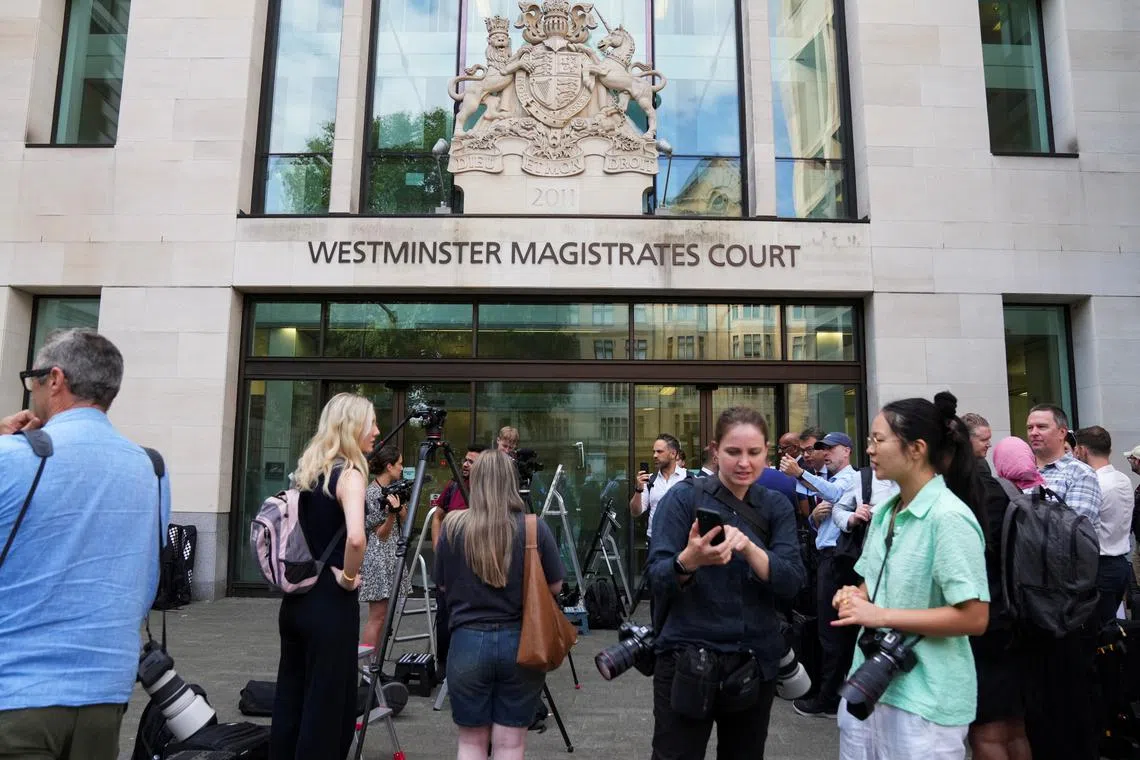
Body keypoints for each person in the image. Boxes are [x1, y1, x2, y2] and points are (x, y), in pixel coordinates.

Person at [0, 329, 172, 760]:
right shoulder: (151, 469)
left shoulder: (13, 457)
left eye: (33, 378)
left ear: (55, 379)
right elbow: (146, 580)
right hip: (105, 689)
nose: (32, 390)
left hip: (16, 690)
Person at [834, 391, 989, 759]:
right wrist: (854, 596)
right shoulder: (887, 510)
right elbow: (871, 583)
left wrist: (880, 616)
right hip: (870, 685)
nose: (869, 450)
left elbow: (975, 616)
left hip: (925, 699)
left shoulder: (948, 517)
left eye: (878, 439)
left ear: (916, 448)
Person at [647, 407, 806, 760]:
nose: (744, 463)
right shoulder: (683, 498)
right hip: (685, 657)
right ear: (715, 450)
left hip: (753, 660)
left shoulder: (776, 505)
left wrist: (750, 549)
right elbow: (656, 576)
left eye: (754, 452)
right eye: (733, 452)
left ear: (767, 451)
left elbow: (793, 581)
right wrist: (688, 561)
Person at [434, 450, 565, 760]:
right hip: (522, 642)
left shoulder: (452, 527)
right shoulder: (533, 527)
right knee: (510, 745)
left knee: (470, 744)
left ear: (474, 481)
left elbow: (441, 586)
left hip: (466, 643)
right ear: (512, 482)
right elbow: (556, 585)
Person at [271, 392, 374, 760]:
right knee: (329, 711)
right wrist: (348, 577)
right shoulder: (349, 474)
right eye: (370, 423)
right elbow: (358, 537)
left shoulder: (308, 472)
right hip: (330, 604)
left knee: (291, 702)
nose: (376, 431)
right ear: (352, 428)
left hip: (296, 602)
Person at [1020, 404, 1102, 760]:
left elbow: (1073, 536)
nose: (1034, 432)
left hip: (1062, 598)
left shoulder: (1079, 474)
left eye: (1041, 426)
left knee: (1067, 690)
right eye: (1029, 427)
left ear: (1062, 432)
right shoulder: (1021, 475)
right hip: (1026, 595)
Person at [782, 433, 862, 718]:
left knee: (832, 632)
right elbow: (826, 511)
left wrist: (800, 473)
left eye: (831, 449)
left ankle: (828, 699)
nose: (825, 454)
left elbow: (836, 494)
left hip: (837, 562)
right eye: (822, 449)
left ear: (847, 451)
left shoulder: (850, 479)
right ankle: (828, 692)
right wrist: (815, 518)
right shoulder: (829, 480)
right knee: (827, 630)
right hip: (826, 558)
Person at [969, 438, 1032, 760]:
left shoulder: (973, 495)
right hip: (1014, 614)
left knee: (987, 731)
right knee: (1013, 725)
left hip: (985, 623)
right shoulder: (1008, 490)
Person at [431, 443, 486, 672]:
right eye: (465, 459)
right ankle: (443, 665)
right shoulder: (453, 486)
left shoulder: (487, 490)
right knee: (444, 612)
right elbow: (437, 516)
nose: (465, 464)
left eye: (471, 461)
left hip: (476, 561)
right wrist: (437, 548)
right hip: (451, 561)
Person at [1074, 426, 1134, 624]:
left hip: (1099, 567)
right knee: (1108, 631)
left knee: (1095, 635)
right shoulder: (1123, 479)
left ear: (1082, 450)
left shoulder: (1093, 484)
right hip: (1120, 564)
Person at [360, 445, 412, 648]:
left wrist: (399, 510)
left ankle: (376, 665)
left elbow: (406, 520)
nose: (402, 468)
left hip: (392, 554)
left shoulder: (395, 489)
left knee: (386, 618)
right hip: (379, 555)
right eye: (399, 464)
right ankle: (367, 669)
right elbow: (379, 535)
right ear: (389, 466)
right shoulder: (372, 494)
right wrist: (391, 514)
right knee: (377, 617)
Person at [630, 433, 687, 543]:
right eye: (654, 452)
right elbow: (635, 512)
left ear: (673, 454)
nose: (655, 455)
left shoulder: (689, 478)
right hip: (655, 540)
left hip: (682, 540)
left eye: (659, 452)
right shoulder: (650, 480)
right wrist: (638, 490)